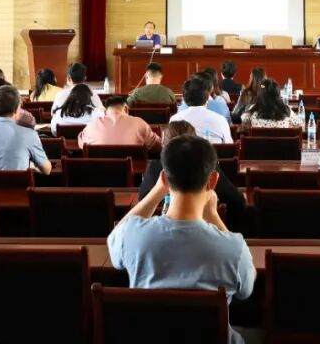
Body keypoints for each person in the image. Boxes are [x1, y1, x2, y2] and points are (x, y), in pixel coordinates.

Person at [108, 134, 255, 344]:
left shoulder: (132, 235)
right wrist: (213, 215)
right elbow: (246, 290)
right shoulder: (233, 248)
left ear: (165, 178)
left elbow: (114, 238)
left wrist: (157, 192)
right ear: (213, 180)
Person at [138, 121, 244, 226]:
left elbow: (141, 202)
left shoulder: (155, 167)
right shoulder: (207, 167)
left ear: (164, 145)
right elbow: (236, 200)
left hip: (157, 232)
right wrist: (224, 229)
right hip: (204, 232)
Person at [0, 86, 52, 173]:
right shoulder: (29, 135)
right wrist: (32, 165)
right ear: (17, 109)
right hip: (17, 182)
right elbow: (47, 170)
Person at [170, 76, 233, 144]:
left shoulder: (174, 119)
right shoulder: (220, 120)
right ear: (207, 97)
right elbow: (229, 146)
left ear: (184, 99)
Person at [78, 96, 159, 148]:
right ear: (126, 109)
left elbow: (82, 144)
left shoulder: (93, 124)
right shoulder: (139, 123)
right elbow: (156, 144)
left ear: (105, 111)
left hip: (99, 169)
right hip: (133, 169)